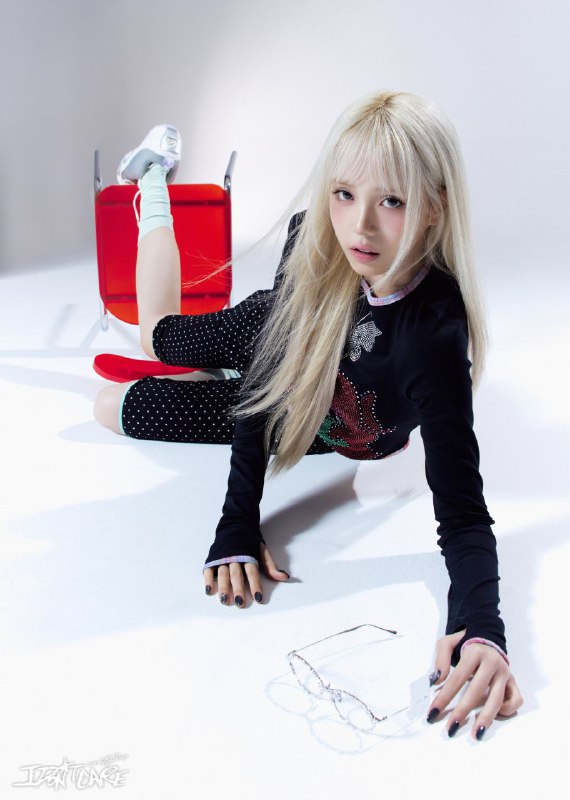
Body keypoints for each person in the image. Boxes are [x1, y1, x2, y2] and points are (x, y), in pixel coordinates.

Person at [94, 92, 523, 740]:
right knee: (151, 347)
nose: (359, 228)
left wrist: (482, 629)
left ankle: (197, 368)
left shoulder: (433, 333)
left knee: (114, 404)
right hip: (269, 347)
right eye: (343, 194)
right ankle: (153, 174)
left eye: (392, 201)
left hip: (323, 426)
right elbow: (264, 393)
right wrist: (238, 524)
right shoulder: (318, 247)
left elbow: (463, 516)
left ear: (434, 206)